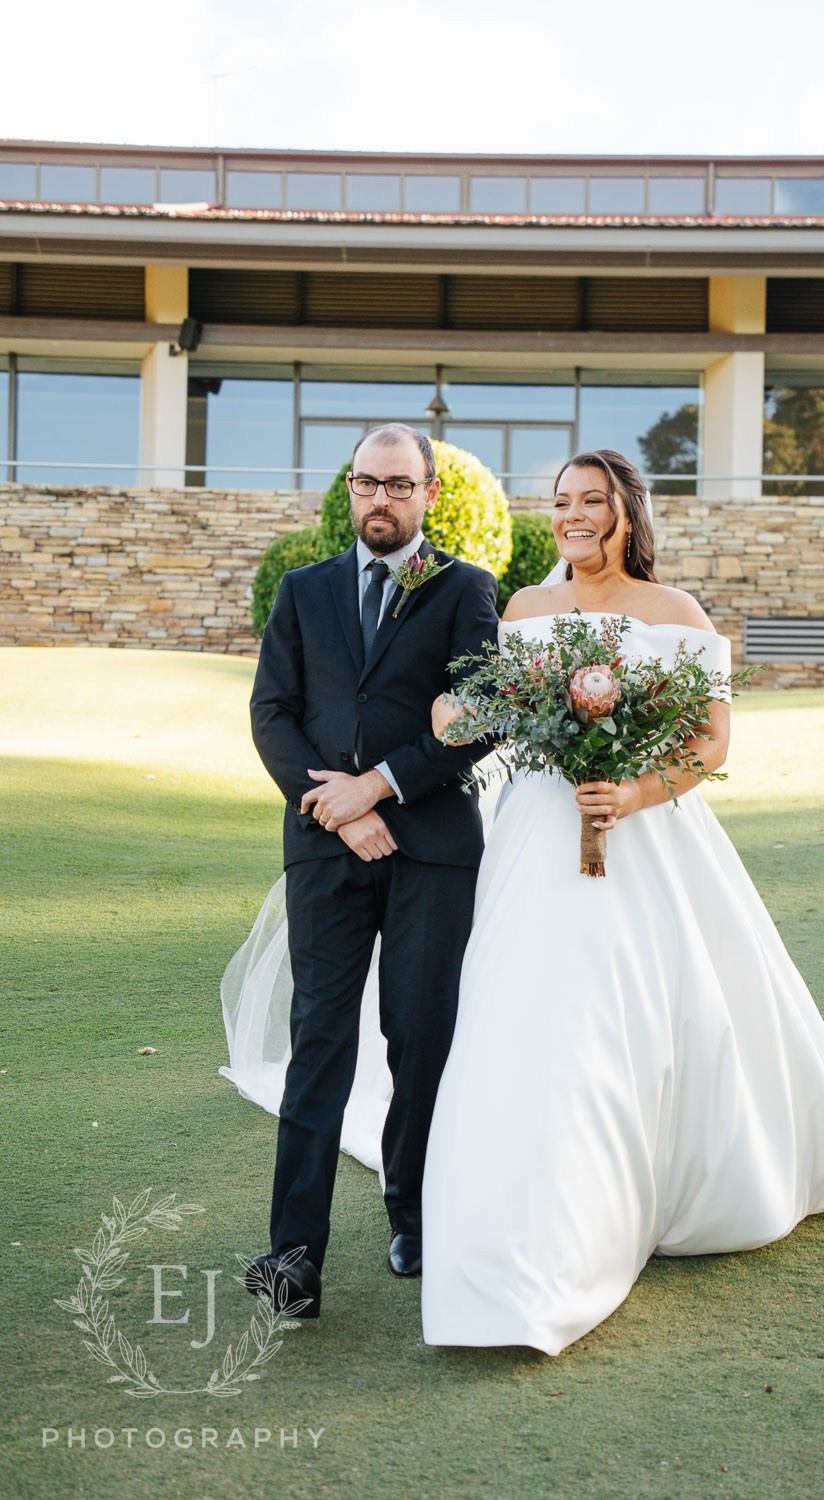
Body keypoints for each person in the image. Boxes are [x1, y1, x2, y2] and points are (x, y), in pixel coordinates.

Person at [224, 447, 824, 1354]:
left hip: (595, 839)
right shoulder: (508, 606)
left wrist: (634, 792)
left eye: (591, 501)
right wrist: (356, 793)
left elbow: (702, 739)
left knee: (478, 1030)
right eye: (562, 501)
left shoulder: (619, 607)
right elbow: (425, 708)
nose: (573, 515)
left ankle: (446, 1214)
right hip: (494, 836)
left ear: (625, 511)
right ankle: (307, 1252)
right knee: (417, 1029)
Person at [242, 422, 498, 1317]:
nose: (379, 500)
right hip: (326, 850)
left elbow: (483, 715)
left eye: (397, 485)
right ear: (349, 491)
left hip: (431, 849)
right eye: (365, 484)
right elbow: (272, 714)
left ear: (428, 494)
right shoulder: (302, 591)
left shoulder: (465, 589)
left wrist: (379, 790)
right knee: (320, 1040)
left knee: (419, 1037)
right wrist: (339, 813)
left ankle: (417, 1218)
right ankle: (293, 1255)